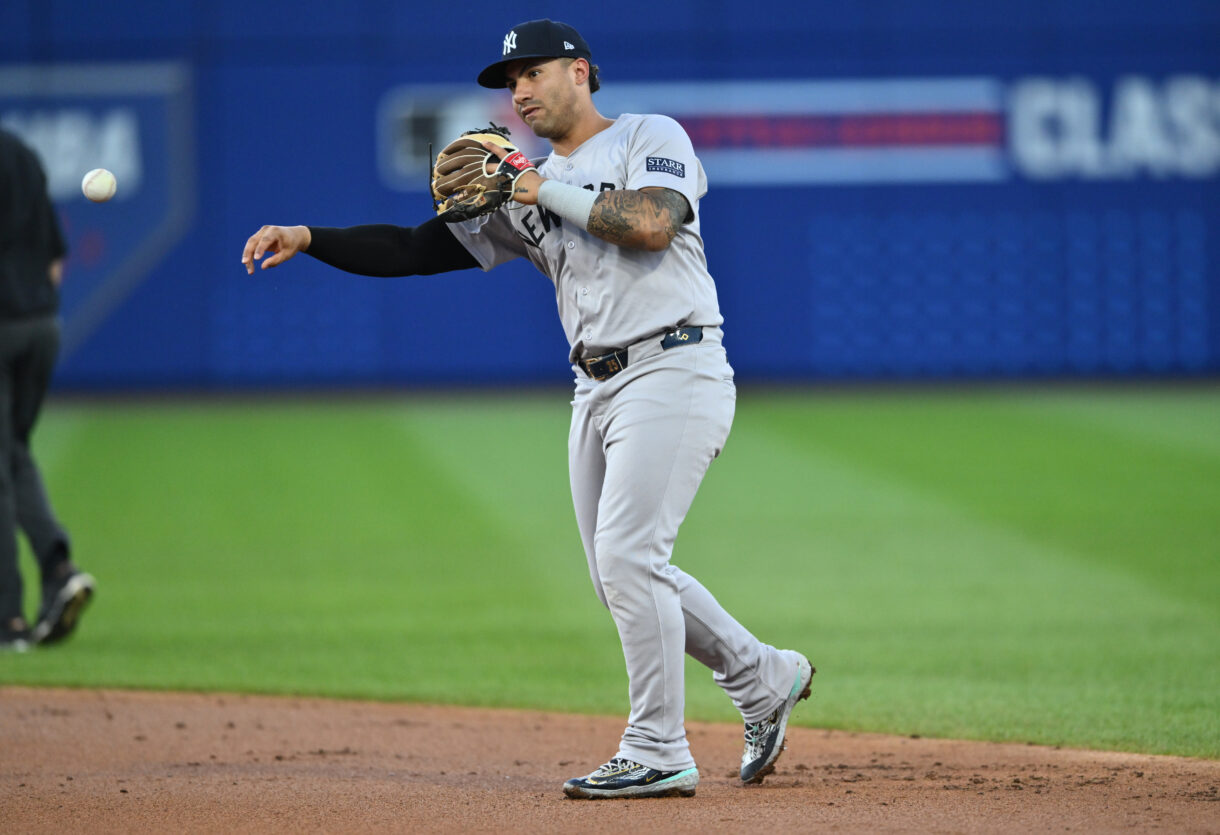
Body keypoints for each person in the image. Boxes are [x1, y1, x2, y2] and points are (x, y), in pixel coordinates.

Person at [241, 18, 813, 799]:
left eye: (530, 73)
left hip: (675, 364)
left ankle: (657, 746)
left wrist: (534, 185)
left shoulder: (648, 135)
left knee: (627, 557)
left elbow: (649, 224)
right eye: (509, 83)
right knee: (623, 570)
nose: (517, 91)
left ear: (579, 72)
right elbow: (413, 249)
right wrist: (309, 235)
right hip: (597, 386)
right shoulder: (518, 185)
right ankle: (764, 677)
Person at [0, 128, 95, 652]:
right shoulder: (20, 153)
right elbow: (56, 260)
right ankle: (59, 570)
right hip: (40, 323)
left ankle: (7, 617)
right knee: (13, 452)